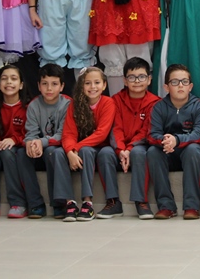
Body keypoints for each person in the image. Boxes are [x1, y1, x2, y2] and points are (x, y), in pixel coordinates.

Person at [53, 67, 117, 221]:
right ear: (81, 86)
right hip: (78, 147)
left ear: (104, 85)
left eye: (97, 83)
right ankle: (69, 202)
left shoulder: (108, 103)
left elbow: (101, 134)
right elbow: (68, 133)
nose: (92, 87)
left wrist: (75, 148)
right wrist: (70, 152)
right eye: (87, 83)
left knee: (86, 151)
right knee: (57, 153)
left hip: (98, 147)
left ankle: (87, 202)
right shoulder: (74, 104)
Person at [100, 57, 160, 219]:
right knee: (104, 153)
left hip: (139, 146)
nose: (137, 81)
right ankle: (113, 202)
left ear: (149, 79)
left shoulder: (155, 103)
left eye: (141, 77)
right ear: (125, 81)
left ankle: (141, 201)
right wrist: (121, 150)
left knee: (139, 153)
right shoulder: (115, 101)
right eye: (132, 77)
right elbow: (115, 129)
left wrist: (130, 148)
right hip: (118, 147)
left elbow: (147, 131)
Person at [146, 64, 200, 219]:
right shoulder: (158, 107)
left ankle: (191, 206)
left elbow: (199, 134)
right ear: (166, 87)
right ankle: (166, 206)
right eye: (175, 82)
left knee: (193, 150)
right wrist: (165, 141)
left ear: (190, 86)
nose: (180, 85)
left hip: (189, 153)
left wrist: (177, 140)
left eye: (184, 82)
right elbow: (152, 134)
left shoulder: (199, 106)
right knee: (152, 152)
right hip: (167, 151)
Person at [18, 63, 71, 219]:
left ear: (62, 86)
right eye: (45, 84)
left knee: (52, 152)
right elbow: (31, 132)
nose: (49, 88)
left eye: (54, 84)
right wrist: (30, 142)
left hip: (57, 148)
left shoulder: (68, 104)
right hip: (39, 147)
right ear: (38, 86)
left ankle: (59, 203)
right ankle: (35, 203)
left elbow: (63, 134)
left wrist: (42, 142)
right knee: (21, 153)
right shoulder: (34, 105)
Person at [0, 64, 29, 218]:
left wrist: (14, 140)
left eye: (13, 78)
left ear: (21, 85)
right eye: (4, 79)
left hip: (19, 146)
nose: (9, 82)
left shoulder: (28, 107)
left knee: (7, 153)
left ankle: (18, 203)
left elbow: (30, 135)